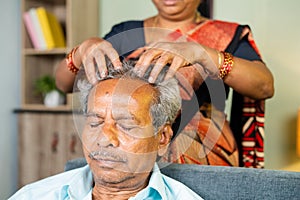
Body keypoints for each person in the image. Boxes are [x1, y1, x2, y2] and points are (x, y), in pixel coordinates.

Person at [55, 0, 274, 167]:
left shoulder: (226, 34)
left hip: (202, 151)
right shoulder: (126, 32)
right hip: (126, 144)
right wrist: (81, 51)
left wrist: (201, 53)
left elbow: (264, 86)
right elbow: (63, 84)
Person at [9, 62, 203, 199]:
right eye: (94, 123)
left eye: (126, 126)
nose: (104, 139)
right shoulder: (35, 195)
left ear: (162, 139)